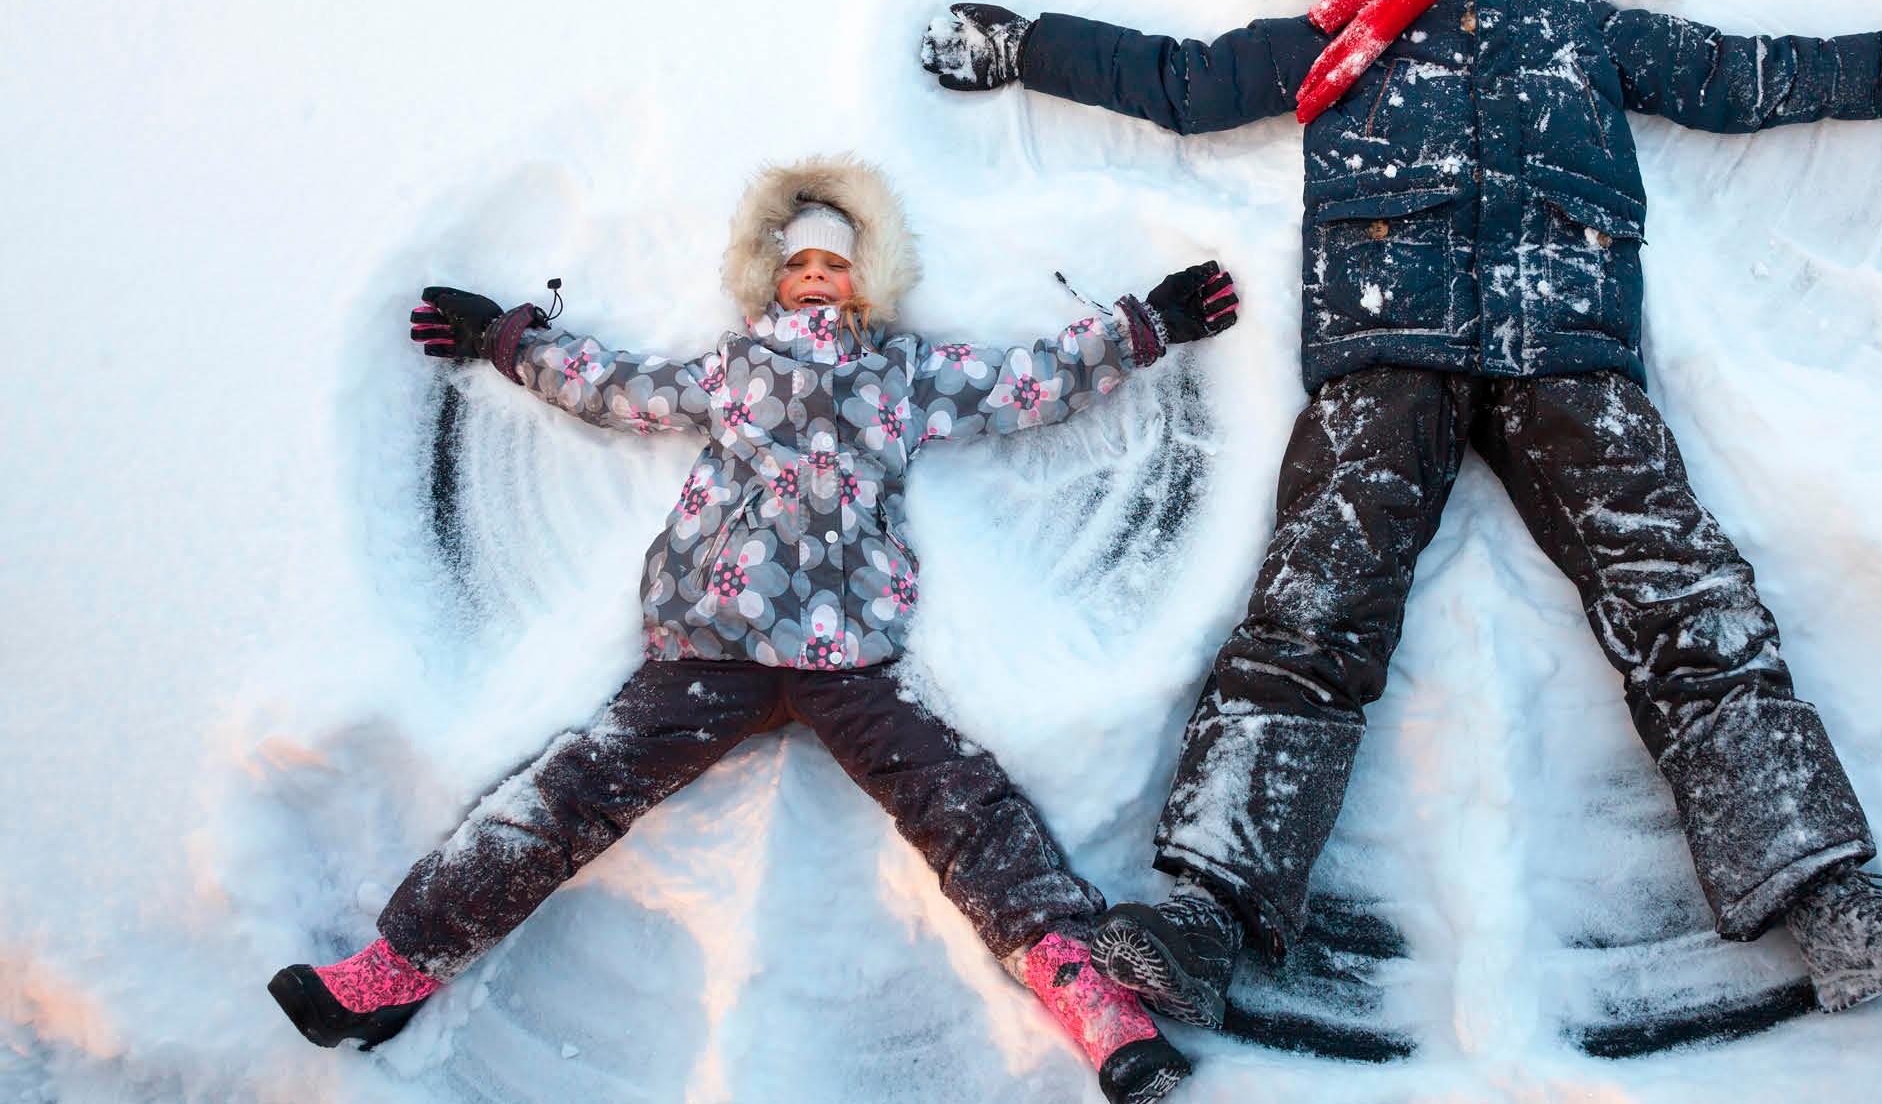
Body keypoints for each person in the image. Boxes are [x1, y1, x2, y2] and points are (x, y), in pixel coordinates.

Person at [920, 0, 1882, 1021]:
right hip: (1387, 348)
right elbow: (1185, 82)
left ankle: (1831, 903)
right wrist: (1023, 45)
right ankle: (1205, 915)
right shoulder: (1345, 23)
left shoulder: (1580, 25)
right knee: (1312, 610)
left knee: (1687, 602)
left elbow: (1747, 75)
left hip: (1568, 352)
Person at [267, 154, 1239, 1104]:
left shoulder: (902, 371)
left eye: (837, 264)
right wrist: (509, 339)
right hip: (712, 643)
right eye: (799, 265)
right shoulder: (734, 369)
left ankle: (1087, 992)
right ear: (767, 279)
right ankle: (400, 963)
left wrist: (1144, 325)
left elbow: (1029, 379)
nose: (816, 278)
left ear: (871, 279)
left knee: (964, 805)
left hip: (848, 658)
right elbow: (618, 387)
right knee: (570, 792)